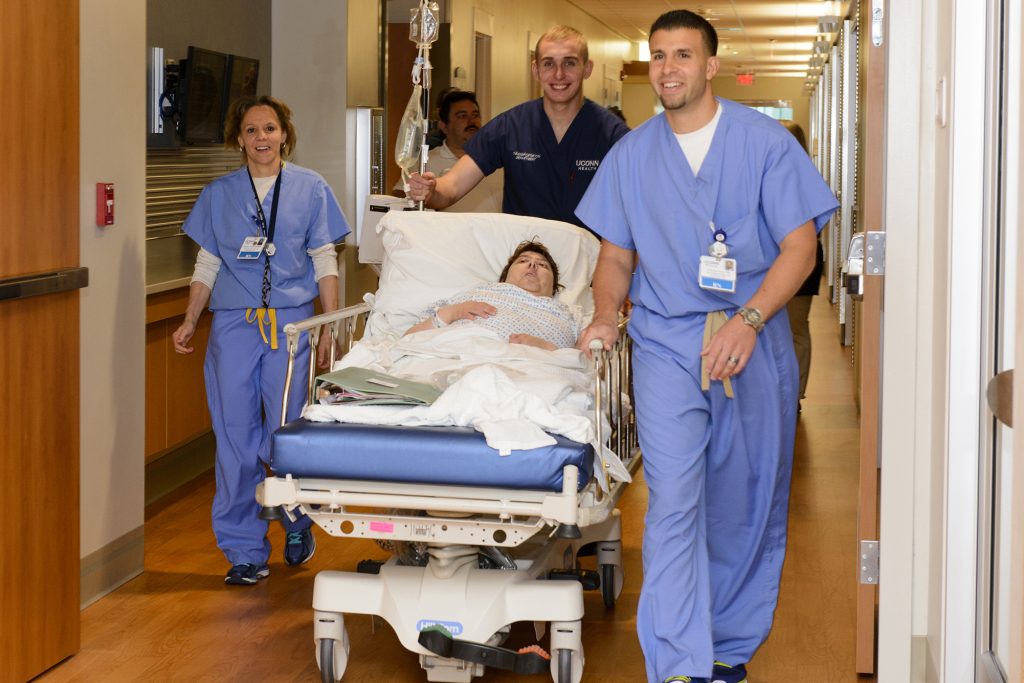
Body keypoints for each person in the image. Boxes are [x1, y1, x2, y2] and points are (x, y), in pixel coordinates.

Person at [574, 10, 838, 683]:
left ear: (711, 65)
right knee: (675, 498)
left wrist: (748, 321)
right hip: (666, 341)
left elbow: (800, 248)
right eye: (658, 55)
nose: (668, 68)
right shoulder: (632, 155)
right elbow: (614, 257)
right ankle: (676, 663)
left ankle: (727, 644)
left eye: (683, 55)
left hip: (753, 337)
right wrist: (606, 314)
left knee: (746, 497)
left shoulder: (765, 144)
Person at [172, 95, 349, 586]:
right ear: (239, 140)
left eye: (269, 128)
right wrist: (190, 318)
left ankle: (296, 523)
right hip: (233, 325)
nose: (262, 138)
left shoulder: (311, 188)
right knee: (235, 439)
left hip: (292, 325)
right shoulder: (218, 193)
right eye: (251, 131)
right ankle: (244, 550)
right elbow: (206, 265)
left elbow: (325, 259)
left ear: (284, 134)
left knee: (288, 432)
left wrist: (329, 324)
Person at [406, 25, 629, 229]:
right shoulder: (510, 126)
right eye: (548, 63)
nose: (558, 74)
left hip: (586, 265)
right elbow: (452, 187)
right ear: (536, 70)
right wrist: (431, 190)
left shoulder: (612, 135)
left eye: (569, 63)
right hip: (525, 263)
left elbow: (638, 206)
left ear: (587, 69)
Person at [404, 240, 576, 350]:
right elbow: (409, 340)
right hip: (457, 355)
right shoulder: (477, 293)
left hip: (529, 373)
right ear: (504, 277)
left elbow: (580, 368)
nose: (532, 265)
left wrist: (545, 348)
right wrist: (452, 312)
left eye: (543, 265)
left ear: (554, 286)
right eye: (523, 261)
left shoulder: (567, 316)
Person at [396, 90, 503, 212]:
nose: (471, 121)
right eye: (462, 116)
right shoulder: (424, 162)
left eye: (475, 115)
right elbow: (398, 196)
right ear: (444, 126)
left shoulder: (496, 160)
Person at [779, 120, 824, 411]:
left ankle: (793, 394)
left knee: (795, 328)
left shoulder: (806, 179)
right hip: (770, 263)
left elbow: (813, 229)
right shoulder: (764, 173)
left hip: (801, 261)